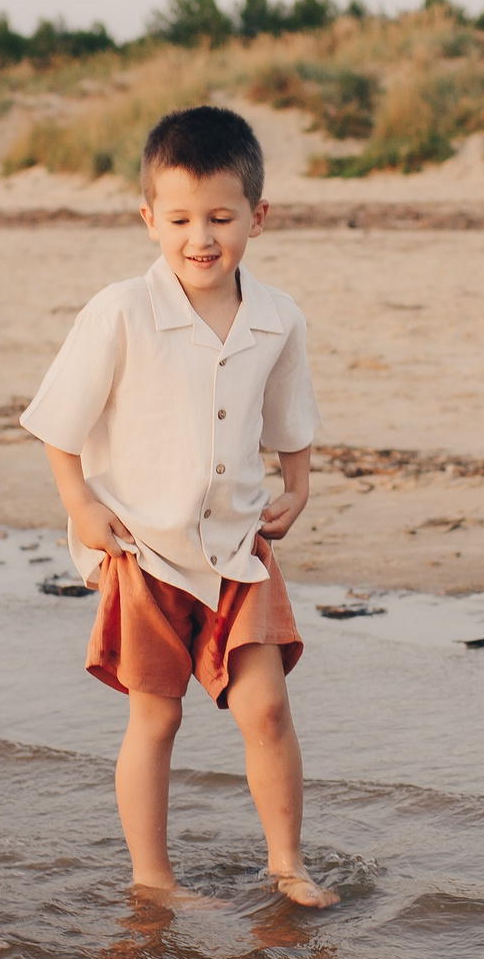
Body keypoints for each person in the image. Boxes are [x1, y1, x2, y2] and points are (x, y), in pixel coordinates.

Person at [22, 105, 339, 909]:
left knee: (266, 709)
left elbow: (290, 416)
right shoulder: (122, 310)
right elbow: (59, 421)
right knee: (156, 720)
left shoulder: (278, 317)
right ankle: (154, 880)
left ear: (258, 217)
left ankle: (287, 864)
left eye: (221, 219)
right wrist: (79, 504)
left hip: (236, 547)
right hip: (143, 545)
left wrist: (298, 485)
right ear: (149, 219)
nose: (201, 238)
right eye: (180, 220)